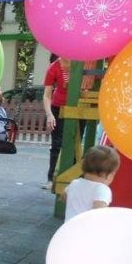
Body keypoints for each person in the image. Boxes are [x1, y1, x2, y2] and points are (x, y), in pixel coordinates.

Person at [43, 56, 91, 190]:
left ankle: (73, 179)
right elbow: (46, 95)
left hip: (79, 107)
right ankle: (51, 178)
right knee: (57, 144)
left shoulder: (83, 64)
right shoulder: (54, 68)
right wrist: (49, 115)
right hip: (59, 107)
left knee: (76, 142)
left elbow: (87, 85)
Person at [62, 145, 120, 222]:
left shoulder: (74, 183)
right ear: (110, 175)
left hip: (68, 228)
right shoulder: (102, 190)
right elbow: (98, 213)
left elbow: (63, 196)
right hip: (86, 231)